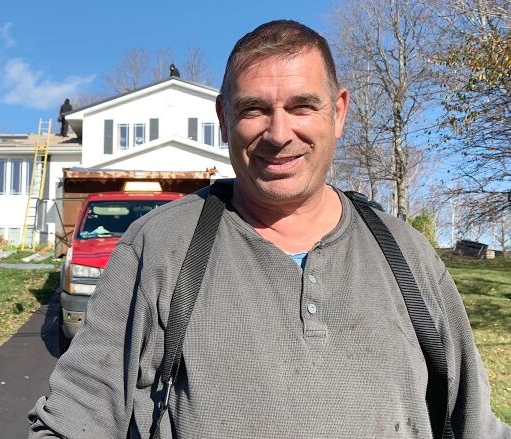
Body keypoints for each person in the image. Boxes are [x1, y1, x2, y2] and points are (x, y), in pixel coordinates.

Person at [29, 20, 511, 438]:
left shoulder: (407, 254)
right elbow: (73, 422)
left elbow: (474, 425)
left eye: (302, 106)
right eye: (255, 109)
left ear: (338, 112)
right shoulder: (159, 248)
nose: (279, 135)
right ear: (223, 118)